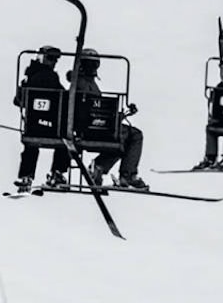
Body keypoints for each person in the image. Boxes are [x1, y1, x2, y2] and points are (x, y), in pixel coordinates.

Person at [70, 48, 147, 190]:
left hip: (95, 125)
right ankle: (126, 174)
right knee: (133, 135)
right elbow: (92, 110)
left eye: (95, 65)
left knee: (123, 139)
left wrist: (120, 115)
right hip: (92, 127)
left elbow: (99, 110)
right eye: (91, 65)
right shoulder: (83, 84)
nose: (93, 69)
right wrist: (114, 118)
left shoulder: (85, 83)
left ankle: (99, 167)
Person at [13, 45, 70, 193]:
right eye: (51, 58)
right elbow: (62, 96)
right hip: (52, 123)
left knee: (31, 145)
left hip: (34, 123)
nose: (54, 62)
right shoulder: (48, 76)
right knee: (65, 138)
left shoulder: (30, 74)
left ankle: (26, 176)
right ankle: (57, 172)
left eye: (56, 59)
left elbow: (18, 99)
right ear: (42, 57)